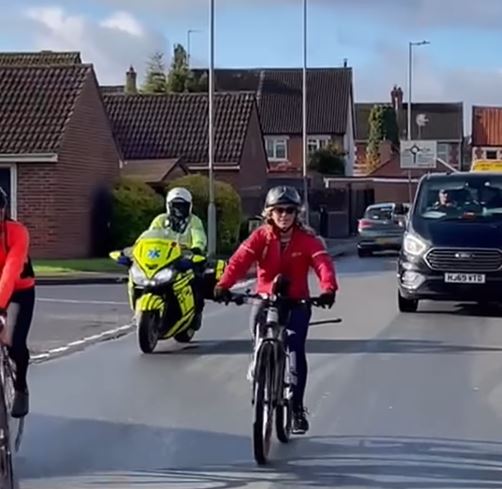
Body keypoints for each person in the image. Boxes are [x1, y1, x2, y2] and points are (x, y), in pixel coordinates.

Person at [213, 186, 338, 434]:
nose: (284, 215)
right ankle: (260, 356)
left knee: (294, 348)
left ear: (297, 213)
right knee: (257, 328)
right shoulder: (261, 237)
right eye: (279, 210)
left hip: (296, 302)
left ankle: (296, 409)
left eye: (290, 210)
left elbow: (322, 263)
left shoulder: (307, 239)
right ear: (269, 213)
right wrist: (223, 285)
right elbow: (240, 260)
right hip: (265, 298)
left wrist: (328, 289)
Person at [0, 187, 35, 418]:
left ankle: (21, 386)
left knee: (14, 343)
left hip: (18, 292)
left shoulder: (16, 232)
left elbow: (11, 270)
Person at [147, 187, 207, 254]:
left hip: (185, 256)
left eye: (183, 206)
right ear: (168, 206)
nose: (179, 209)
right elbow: (150, 236)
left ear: (189, 206)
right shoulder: (161, 219)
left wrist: (196, 249)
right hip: (162, 255)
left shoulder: (194, 220)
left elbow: (199, 238)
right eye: (175, 206)